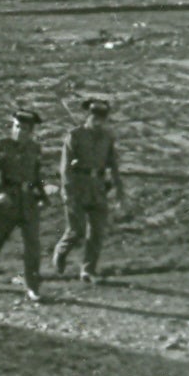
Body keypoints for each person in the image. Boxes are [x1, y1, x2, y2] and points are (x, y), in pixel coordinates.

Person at [0, 108, 47, 303]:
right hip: (6, 202)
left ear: (31, 131)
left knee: (32, 245)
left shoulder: (34, 148)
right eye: (16, 127)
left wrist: (42, 196)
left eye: (24, 129)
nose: (19, 132)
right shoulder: (2, 145)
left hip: (28, 203)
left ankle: (32, 287)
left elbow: (36, 176)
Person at [54, 98, 127, 283]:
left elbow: (114, 165)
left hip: (98, 189)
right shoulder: (75, 135)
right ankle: (61, 252)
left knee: (96, 231)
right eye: (94, 116)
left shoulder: (108, 137)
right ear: (88, 116)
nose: (98, 120)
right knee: (76, 231)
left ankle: (88, 271)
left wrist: (119, 190)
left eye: (102, 117)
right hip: (78, 188)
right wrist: (67, 191)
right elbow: (65, 168)